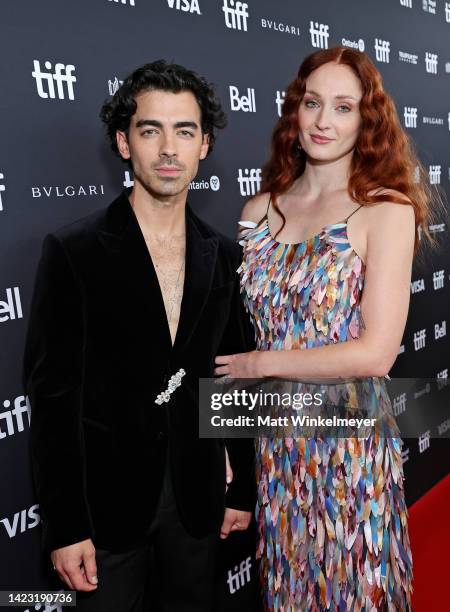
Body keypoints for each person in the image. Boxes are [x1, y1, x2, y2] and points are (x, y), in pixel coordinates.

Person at [24, 60, 255, 612]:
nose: (169, 149)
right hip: (105, 512)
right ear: (124, 143)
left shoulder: (223, 254)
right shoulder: (74, 252)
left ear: (205, 145)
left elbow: (231, 374)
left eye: (185, 131)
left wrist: (241, 485)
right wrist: (65, 526)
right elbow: (53, 398)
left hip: (198, 503)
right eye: (151, 130)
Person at [214, 46, 439, 610]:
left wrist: (263, 364)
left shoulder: (386, 210)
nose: (322, 121)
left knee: (354, 583)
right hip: (277, 438)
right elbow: (235, 336)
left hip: (349, 436)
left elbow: (376, 354)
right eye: (313, 103)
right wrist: (223, 437)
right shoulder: (256, 212)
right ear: (296, 110)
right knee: (291, 584)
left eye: (343, 107)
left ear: (367, 120)